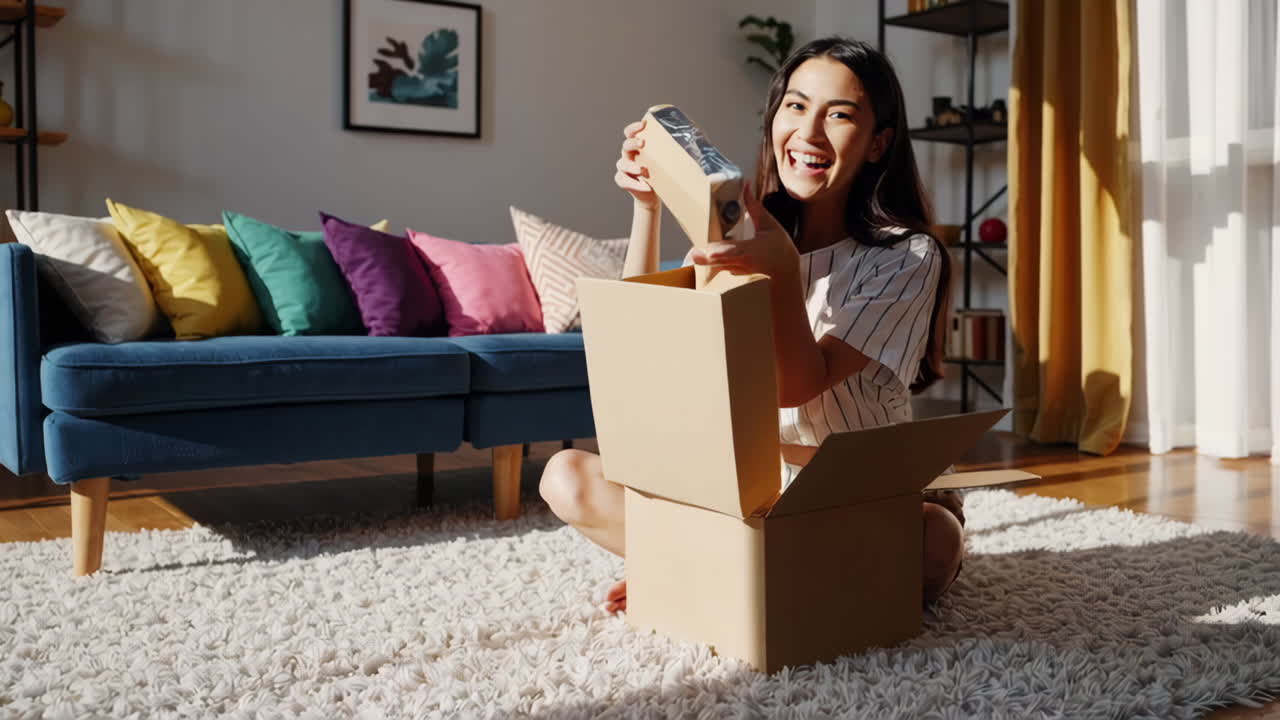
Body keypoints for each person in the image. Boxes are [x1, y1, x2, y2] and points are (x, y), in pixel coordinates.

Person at [540, 37, 963, 614]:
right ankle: (750, 575)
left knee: (936, 542)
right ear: (773, 120)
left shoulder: (907, 256)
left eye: (839, 115)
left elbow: (797, 385)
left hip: (859, 500)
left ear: (878, 143)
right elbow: (642, 340)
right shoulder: (735, 241)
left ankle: (705, 574)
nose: (810, 133)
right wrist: (647, 207)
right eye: (795, 105)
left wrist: (784, 272)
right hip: (750, 499)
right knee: (565, 476)